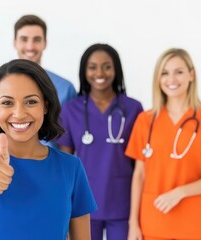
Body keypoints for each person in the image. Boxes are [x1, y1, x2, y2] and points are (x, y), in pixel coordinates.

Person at [0, 59, 97, 240]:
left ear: (45, 105)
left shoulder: (71, 167)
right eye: (7, 103)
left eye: (31, 102)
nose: (19, 113)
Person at [125, 48, 201, 240]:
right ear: (158, 79)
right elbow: (139, 174)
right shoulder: (146, 120)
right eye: (165, 73)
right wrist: (133, 223)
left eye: (179, 72)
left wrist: (180, 192)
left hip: (195, 224)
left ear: (191, 75)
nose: (172, 79)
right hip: (153, 223)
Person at [56, 43, 143, 240]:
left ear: (116, 70)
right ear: (84, 71)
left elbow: (140, 164)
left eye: (107, 66)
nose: (100, 73)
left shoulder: (134, 108)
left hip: (122, 204)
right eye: (92, 67)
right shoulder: (71, 110)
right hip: (83, 204)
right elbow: (65, 164)